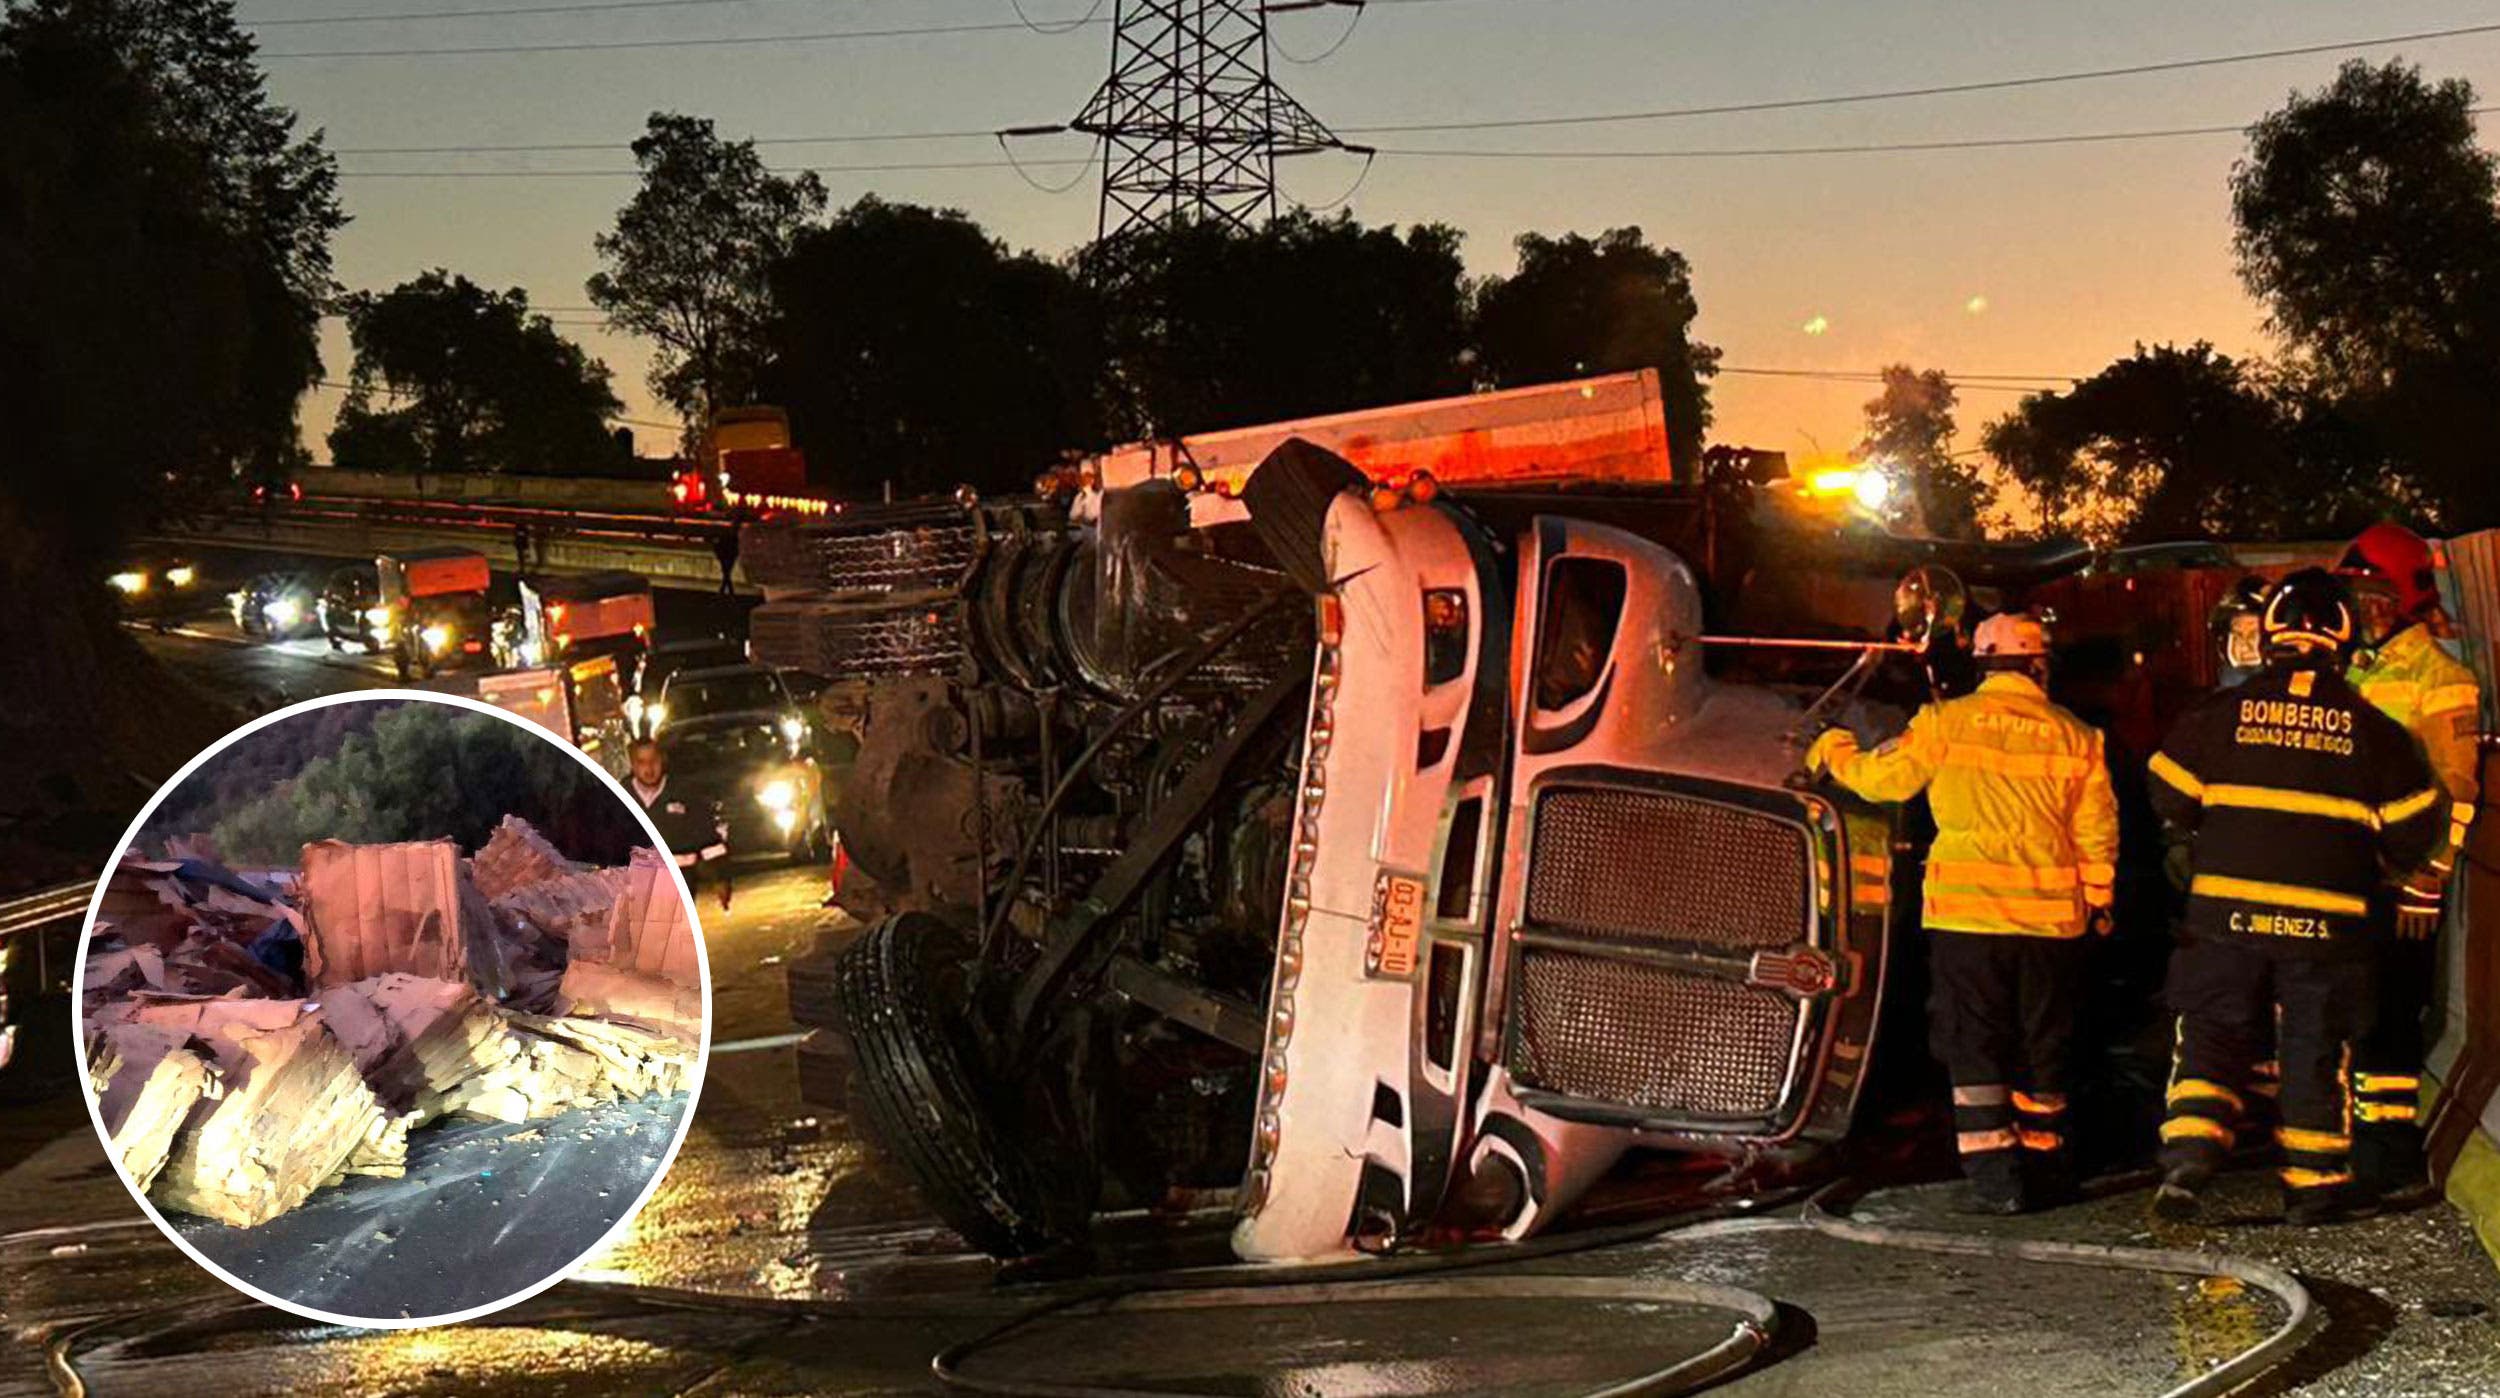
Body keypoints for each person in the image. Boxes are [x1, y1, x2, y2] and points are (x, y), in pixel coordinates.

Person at [2146, 569, 2446, 1225]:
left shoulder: (2216, 717)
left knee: (2210, 1038)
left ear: (2273, 633)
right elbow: (2415, 829)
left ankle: (2189, 1157)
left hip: (2224, 919)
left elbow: (2167, 793)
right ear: (2345, 637)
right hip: (2328, 927)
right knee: (2314, 1050)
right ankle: (2313, 1187)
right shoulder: (2376, 732)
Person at [1808, 611, 2120, 1214]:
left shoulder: (1945, 723)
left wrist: (1834, 746)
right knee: (2042, 1044)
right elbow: (2098, 831)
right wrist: (2100, 903)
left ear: (1981, 665)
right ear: (2038, 665)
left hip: (1968, 921)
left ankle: (1994, 1178)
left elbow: (1885, 781)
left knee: (1974, 1043)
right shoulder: (2077, 735)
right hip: (2053, 923)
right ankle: (2047, 1166)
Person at [2337, 523, 2485, 1198]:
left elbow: (2457, 789)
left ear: (2402, 600)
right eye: (2354, 594)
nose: (2359, 609)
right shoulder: (2354, 671)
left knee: (2390, 1024)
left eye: (2371, 594)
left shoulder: (2443, 679)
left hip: (2403, 884)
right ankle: (2357, 1149)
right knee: (2354, 1018)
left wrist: (2430, 877)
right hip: (2351, 877)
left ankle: (2388, 1159)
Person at [627, 737, 732, 911]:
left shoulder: (684, 794)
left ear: (662, 760)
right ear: (632, 764)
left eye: (654, 761)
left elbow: (707, 839)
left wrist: (720, 878)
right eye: (642, 762)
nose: (649, 768)